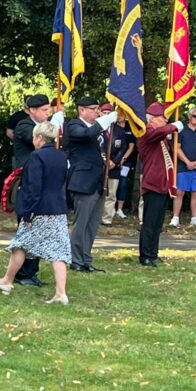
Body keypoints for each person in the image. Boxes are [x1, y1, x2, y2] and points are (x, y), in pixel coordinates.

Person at [0, 122, 71, 304]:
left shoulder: (36, 156)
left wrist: (27, 212)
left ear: (39, 138)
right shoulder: (61, 156)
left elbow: (33, 186)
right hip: (58, 208)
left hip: (39, 209)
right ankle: (61, 292)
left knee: (20, 245)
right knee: (59, 251)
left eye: (34, 137)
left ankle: (7, 281)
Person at [11, 94, 63, 286]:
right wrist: (52, 127)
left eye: (48, 110)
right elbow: (36, 137)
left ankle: (31, 271)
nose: (47, 113)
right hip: (28, 182)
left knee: (38, 230)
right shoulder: (24, 126)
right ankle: (22, 274)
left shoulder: (44, 126)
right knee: (27, 228)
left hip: (43, 184)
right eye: (43, 110)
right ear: (32, 110)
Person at [65, 95, 117, 273]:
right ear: (82, 110)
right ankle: (75, 259)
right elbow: (85, 134)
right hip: (83, 182)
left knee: (93, 224)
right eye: (94, 109)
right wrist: (105, 122)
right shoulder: (74, 125)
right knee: (81, 223)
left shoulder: (98, 130)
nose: (97, 112)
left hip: (98, 181)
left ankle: (86, 259)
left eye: (98, 109)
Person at [137, 102, 184, 266]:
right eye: (162, 118)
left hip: (163, 184)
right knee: (149, 223)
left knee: (157, 224)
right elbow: (159, 133)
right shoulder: (146, 132)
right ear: (152, 120)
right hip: (153, 183)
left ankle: (153, 253)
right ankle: (145, 255)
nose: (165, 120)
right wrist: (173, 126)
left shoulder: (161, 136)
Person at [169, 106, 196, 227]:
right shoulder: (181, 131)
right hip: (182, 166)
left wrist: (195, 163)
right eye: (194, 116)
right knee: (180, 192)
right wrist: (187, 162)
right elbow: (177, 148)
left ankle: (194, 217)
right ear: (190, 116)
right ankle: (175, 217)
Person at [99, 103, 130, 226]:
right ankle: (96, 217)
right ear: (100, 113)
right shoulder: (97, 129)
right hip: (100, 166)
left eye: (109, 113)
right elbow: (98, 146)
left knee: (111, 194)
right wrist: (105, 160)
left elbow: (123, 148)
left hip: (114, 167)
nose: (106, 116)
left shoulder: (119, 130)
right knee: (98, 193)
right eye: (104, 113)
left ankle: (107, 219)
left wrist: (115, 162)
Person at [114, 110, 137, 219]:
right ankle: (111, 208)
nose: (119, 117)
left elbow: (131, 147)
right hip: (113, 160)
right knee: (112, 184)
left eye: (121, 115)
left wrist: (123, 159)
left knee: (122, 183)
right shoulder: (113, 127)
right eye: (117, 115)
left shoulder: (130, 128)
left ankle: (120, 209)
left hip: (126, 161)